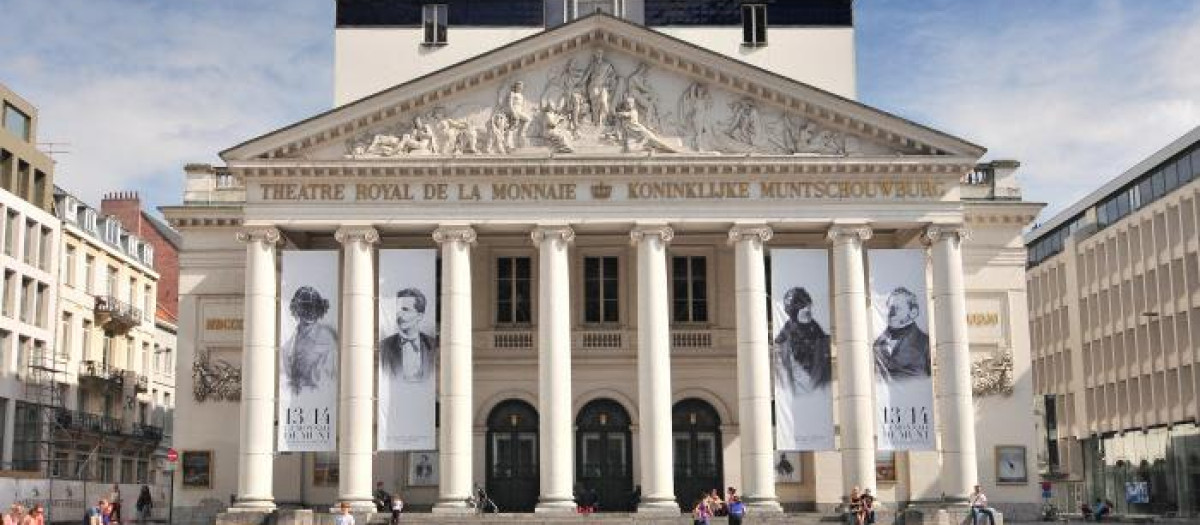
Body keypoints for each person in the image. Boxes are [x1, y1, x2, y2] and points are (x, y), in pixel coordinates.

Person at [281, 286, 338, 395]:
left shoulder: (327, 339)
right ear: (297, 309)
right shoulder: (290, 343)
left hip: (317, 398)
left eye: (313, 307)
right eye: (305, 307)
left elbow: (328, 381)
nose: (309, 312)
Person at [775, 286, 833, 390]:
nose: (808, 309)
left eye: (808, 305)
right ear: (793, 311)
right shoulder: (784, 339)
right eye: (803, 306)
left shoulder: (816, 330)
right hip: (799, 389)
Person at [379, 288, 438, 383]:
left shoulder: (433, 345)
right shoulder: (384, 347)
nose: (399, 315)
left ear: (420, 316)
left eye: (405, 310)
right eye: (397, 310)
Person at [873, 287, 931, 381]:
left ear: (913, 312)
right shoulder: (877, 345)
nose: (891, 313)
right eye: (890, 308)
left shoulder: (925, 344)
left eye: (897, 308)